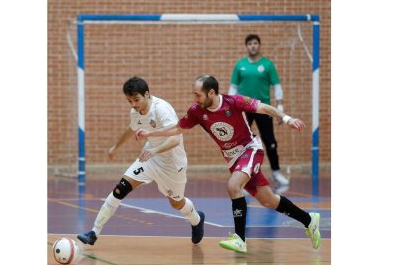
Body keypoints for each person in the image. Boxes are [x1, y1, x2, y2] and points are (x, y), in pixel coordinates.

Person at [135, 75, 321, 253]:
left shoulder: (234, 101)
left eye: (198, 94)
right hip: (233, 159)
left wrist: (287, 119)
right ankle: (309, 220)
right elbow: (178, 128)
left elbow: (264, 108)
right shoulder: (196, 111)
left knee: (233, 186)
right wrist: (150, 134)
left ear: (212, 93)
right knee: (268, 200)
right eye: (194, 95)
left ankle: (240, 239)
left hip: (250, 150)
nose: (195, 98)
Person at [77, 77, 205, 246]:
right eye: (129, 101)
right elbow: (132, 128)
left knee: (176, 202)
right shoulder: (135, 112)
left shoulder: (162, 110)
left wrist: (153, 151)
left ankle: (196, 219)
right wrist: (115, 147)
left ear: (147, 94)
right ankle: (94, 232)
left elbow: (175, 140)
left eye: (136, 100)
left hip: (172, 164)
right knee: (120, 189)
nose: (133, 104)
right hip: (149, 159)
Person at [229, 34, 289, 185]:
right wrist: (230, 108)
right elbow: (233, 87)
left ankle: (276, 172)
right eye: (250, 44)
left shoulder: (268, 65)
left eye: (255, 43)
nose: (253, 46)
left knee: (270, 141)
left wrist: (280, 106)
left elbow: (277, 86)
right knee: (241, 142)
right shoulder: (240, 65)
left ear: (259, 45)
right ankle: (241, 175)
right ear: (246, 46)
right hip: (244, 109)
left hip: (263, 108)